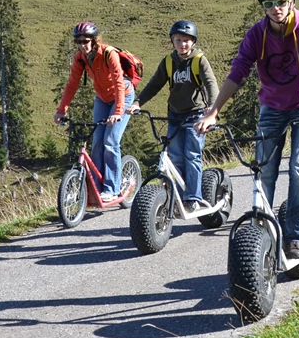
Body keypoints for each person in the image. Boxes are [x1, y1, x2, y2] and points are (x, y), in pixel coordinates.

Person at [195, 0, 299, 260]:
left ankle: (295, 235)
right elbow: (238, 72)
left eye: (281, 2)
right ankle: (263, 230)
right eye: (269, 3)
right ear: (263, 7)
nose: (276, 7)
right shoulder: (257, 34)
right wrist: (214, 111)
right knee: (263, 171)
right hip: (272, 106)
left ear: (291, 2)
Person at [127, 20, 219, 207]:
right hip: (174, 115)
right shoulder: (168, 62)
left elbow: (211, 83)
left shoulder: (199, 60)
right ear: (172, 41)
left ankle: (192, 198)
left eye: (186, 40)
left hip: (196, 115)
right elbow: (154, 84)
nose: (182, 44)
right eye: (178, 40)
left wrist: (212, 108)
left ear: (193, 41)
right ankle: (178, 196)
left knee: (192, 155)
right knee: (175, 156)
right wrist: (137, 102)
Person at [54, 22, 135, 201]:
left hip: (123, 96)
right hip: (102, 99)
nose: (82, 44)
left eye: (86, 40)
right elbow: (72, 84)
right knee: (97, 141)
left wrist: (118, 112)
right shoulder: (80, 58)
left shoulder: (108, 54)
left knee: (110, 141)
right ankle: (95, 190)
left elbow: (119, 83)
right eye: (78, 41)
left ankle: (112, 189)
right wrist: (61, 110)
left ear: (94, 39)